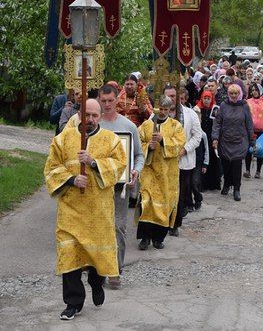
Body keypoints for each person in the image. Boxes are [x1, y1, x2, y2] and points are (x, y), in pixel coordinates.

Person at [44, 99, 126, 321]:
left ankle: (96, 283)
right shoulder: (63, 138)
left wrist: (93, 162)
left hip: (98, 211)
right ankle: (73, 303)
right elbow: (51, 168)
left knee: (96, 256)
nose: (90, 119)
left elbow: (119, 165)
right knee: (69, 254)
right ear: (79, 114)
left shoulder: (111, 140)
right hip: (70, 210)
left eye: (94, 116)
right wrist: (71, 180)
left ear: (100, 116)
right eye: (86, 114)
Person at [98, 84, 145, 288]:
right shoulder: (94, 124)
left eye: (111, 100)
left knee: (119, 226)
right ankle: (98, 268)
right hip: (98, 186)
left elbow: (139, 155)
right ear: (99, 101)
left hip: (120, 187)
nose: (107, 104)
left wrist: (135, 171)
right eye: (103, 101)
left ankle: (115, 271)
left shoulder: (128, 126)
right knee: (99, 226)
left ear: (117, 99)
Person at [137, 96, 186, 250]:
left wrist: (163, 140)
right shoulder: (146, 125)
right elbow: (137, 145)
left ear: (170, 109)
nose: (162, 112)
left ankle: (158, 238)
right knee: (147, 202)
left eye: (166, 109)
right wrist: (148, 147)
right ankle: (145, 238)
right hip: (149, 170)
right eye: (160, 109)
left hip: (167, 173)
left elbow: (180, 145)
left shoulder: (175, 126)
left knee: (164, 206)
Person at [164, 85, 202, 236]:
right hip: (163, 162)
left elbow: (197, 136)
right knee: (163, 193)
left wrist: (185, 149)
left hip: (183, 161)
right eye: (168, 96)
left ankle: (175, 224)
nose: (171, 99)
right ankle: (162, 223)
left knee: (179, 194)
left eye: (173, 96)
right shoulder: (157, 113)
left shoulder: (190, 114)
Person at [212, 83, 254, 201]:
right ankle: (226, 184)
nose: (234, 95)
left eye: (236, 93)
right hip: (225, 140)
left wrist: (252, 139)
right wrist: (215, 138)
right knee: (226, 164)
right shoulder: (223, 106)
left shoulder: (244, 106)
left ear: (239, 93)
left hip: (240, 140)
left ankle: (237, 188)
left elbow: (249, 123)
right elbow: (217, 122)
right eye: (231, 93)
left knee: (236, 165)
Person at [195, 90, 221, 192]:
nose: (206, 100)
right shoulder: (197, 109)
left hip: (211, 137)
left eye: (208, 98)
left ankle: (212, 184)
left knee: (213, 160)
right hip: (201, 137)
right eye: (204, 98)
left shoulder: (215, 110)